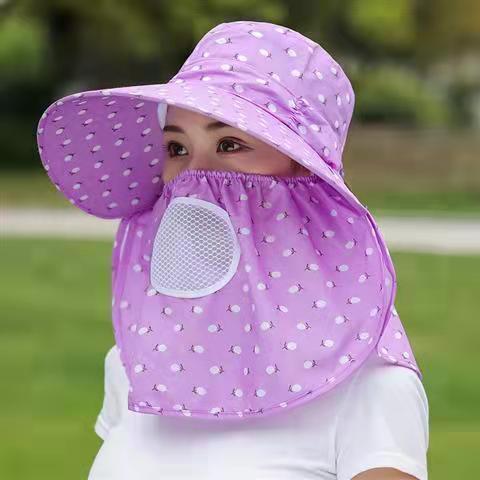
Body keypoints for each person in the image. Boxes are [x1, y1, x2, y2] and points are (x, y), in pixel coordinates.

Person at [36, 20, 429, 480]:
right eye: (176, 148)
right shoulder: (137, 362)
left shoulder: (368, 385)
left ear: (304, 175)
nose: (194, 176)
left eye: (229, 144)